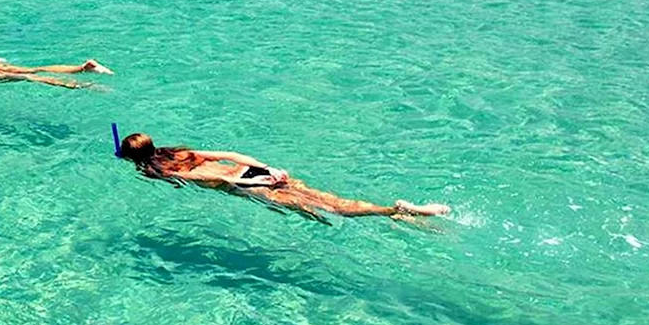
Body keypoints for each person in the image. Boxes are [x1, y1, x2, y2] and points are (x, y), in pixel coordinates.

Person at [118, 133, 449, 223]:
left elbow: (211, 177)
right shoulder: (178, 153)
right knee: (329, 200)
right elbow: (230, 155)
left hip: (251, 184)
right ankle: (403, 215)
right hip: (258, 171)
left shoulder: (163, 170)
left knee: (331, 211)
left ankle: (393, 210)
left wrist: (259, 184)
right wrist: (268, 168)